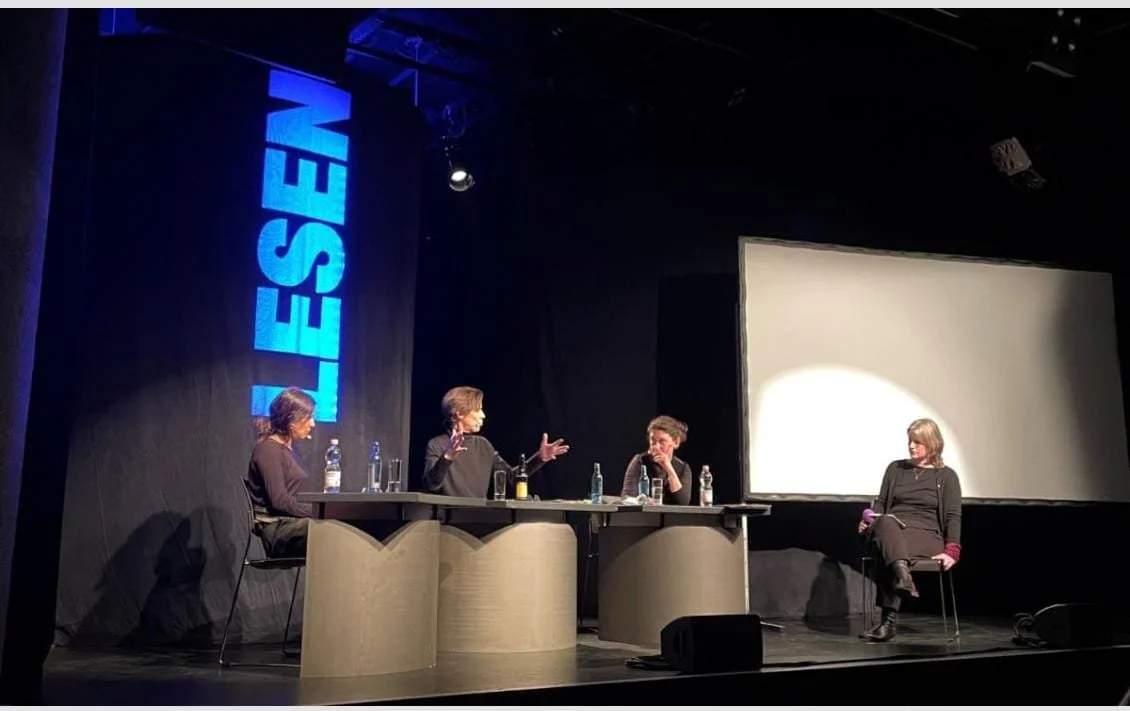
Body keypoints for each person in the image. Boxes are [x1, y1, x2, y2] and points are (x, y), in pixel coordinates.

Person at [857, 418, 963, 642]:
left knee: (890, 550)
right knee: (886, 523)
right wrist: (868, 521)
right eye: (910, 441)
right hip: (892, 529)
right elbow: (881, 504)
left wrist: (952, 550)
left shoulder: (946, 476)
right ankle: (904, 577)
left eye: (918, 442)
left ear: (932, 444)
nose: (912, 446)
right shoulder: (895, 469)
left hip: (927, 535)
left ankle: (888, 621)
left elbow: (953, 516)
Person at [423, 385, 570, 498]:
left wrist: (539, 458)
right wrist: (447, 457)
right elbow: (431, 484)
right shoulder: (437, 445)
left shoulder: (483, 445)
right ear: (459, 413)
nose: (483, 415)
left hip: (478, 520)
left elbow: (511, 478)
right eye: (478, 410)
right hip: (448, 525)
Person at [245, 387, 317, 557]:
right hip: (278, 531)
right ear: (292, 421)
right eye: (309, 417)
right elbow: (280, 501)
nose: (313, 424)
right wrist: (319, 512)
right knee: (333, 528)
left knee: (341, 527)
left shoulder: (289, 451)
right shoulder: (267, 451)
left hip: (293, 524)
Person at [620, 415, 693, 505]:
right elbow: (626, 497)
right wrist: (643, 501)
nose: (656, 446)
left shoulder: (683, 468)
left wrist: (669, 469)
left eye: (662, 442)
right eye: (653, 442)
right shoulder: (640, 461)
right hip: (645, 516)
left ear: (676, 442)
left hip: (672, 517)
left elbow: (683, 502)